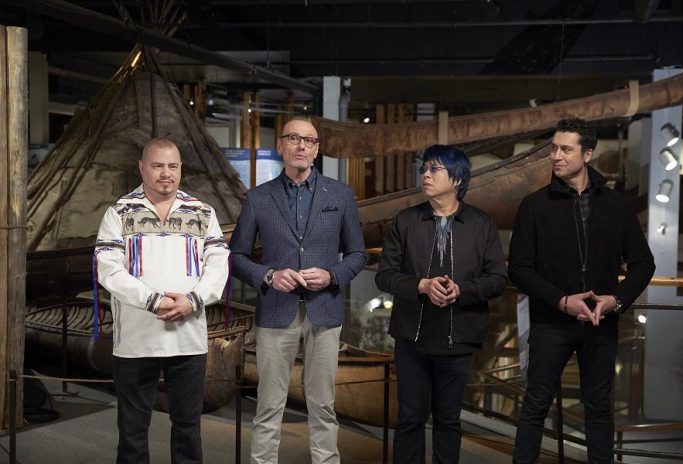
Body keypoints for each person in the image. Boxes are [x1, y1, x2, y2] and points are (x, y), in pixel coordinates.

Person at [509, 118, 655, 463]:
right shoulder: (534, 205)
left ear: (587, 154)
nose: (555, 156)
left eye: (565, 149)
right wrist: (562, 301)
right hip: (550, 324)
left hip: (599, 325)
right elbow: (519, 269)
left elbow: (643, 264)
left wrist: (615, 300)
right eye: (553, 148)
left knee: (599, 410)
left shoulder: (616, 205)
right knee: (534, 407)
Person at [229, 117, 367, 464]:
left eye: (309, 140)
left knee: (323, 403)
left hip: (325, 309)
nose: (301, 146)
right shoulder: (258, 198)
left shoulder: (341, 194)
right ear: (281, 146)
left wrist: (332, 276)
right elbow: (237, 257)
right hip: (276, 310)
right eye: (293, 138)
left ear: (317, 149)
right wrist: (268, 276)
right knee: (269, 403)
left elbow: (358, 254)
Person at [94, 137, 230, 464]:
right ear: (142, 168)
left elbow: (219, 263)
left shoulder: (201, 212)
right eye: (157, 166)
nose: (165, 173)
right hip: (136, 342)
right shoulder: (119, 212)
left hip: (188, 341)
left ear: (181, 169)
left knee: (187, 428)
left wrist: (193, 300)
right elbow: (108, 268)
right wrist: (153, 301)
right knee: (133, 432)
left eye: (172, 166)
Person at [375, 144, 508, 464]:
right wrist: (420, 285)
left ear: (458, 179)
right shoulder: (406, 221)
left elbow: (498, 279)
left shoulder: (481, 223)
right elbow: (385, 276)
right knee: (409, 420)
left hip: (458, 338)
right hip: (412, 338)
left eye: (434, 169)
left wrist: (462, 290)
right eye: (424, 169)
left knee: (448, 421)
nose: (425, 175)